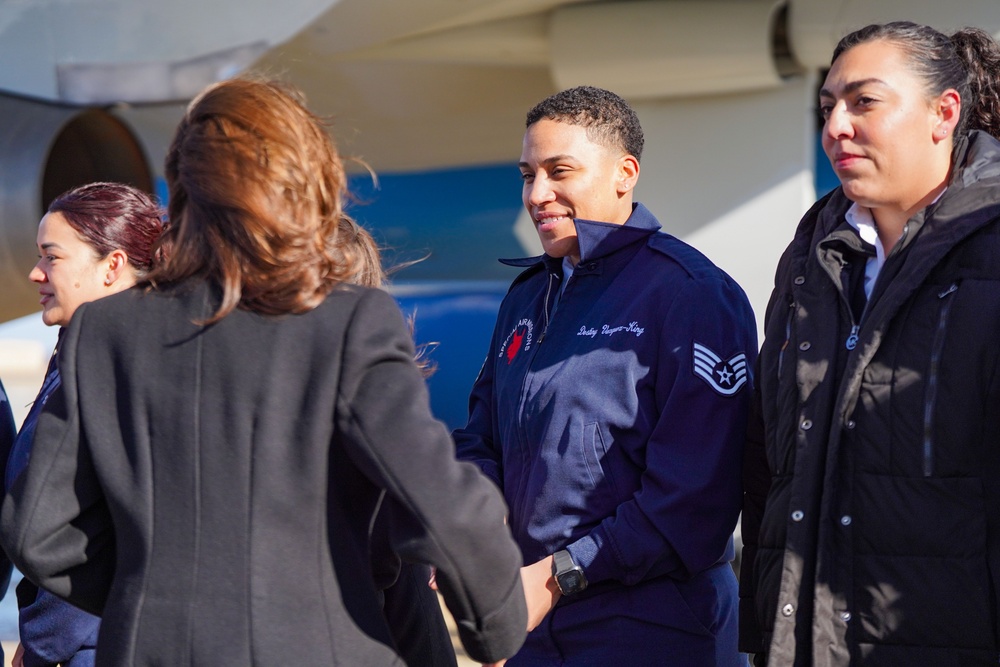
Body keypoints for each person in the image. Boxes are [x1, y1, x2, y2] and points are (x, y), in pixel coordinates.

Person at [0, 77, 527, 666]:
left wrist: (145, 599)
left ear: (182, 190)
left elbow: (37, 532)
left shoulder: (105, 332)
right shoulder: (352, 323)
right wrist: (496, 630)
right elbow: (442, 507)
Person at [454, 86, 757, 665]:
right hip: (533, 627)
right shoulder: (527, 297)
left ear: (625, 173)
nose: (537, 194)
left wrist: (555, 577)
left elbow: (692, 503)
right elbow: (480, 438)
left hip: (650, 628)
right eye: (527, 174)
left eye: (559, 171)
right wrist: (474, 530)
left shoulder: (691, 296)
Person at [740, 21, 1000, 666]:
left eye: (864, 101)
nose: (835, 126)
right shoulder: (810, 257)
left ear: (945, 113)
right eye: (828, 106)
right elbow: (769, 459)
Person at [6, 181, 165, 667]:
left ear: (113, 265)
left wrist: (47, 642)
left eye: (51, 257)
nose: (35, 273)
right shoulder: (83, 353)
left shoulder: (122, 366)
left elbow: (98, 528)